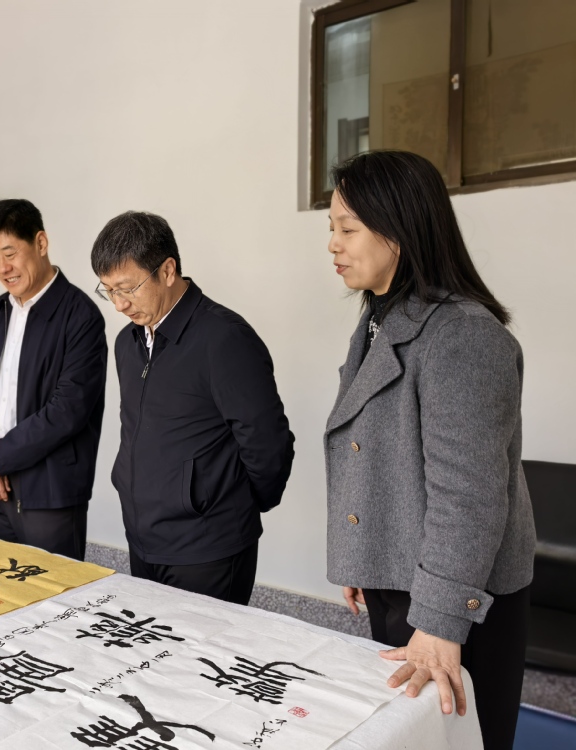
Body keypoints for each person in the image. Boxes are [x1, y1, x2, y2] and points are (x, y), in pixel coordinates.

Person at [324, 150, 535, 749]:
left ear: (398, 232)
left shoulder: (462, 335)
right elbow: (373, 449)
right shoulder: (381, 317)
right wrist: (362, 555)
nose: (333, 245)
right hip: (404, 571)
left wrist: (442, 622)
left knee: (460, 738)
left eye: (348, 229)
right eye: (331, 229)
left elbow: (468, 496)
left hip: (459, 593)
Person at [91, 211, 294, 605]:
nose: (119, 304)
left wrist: (231, 506)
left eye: (128, 288)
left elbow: (268, 443)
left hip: (208, 548)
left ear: (167, 271)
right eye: (109, 290)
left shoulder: (223, 338)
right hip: (144, 538)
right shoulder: (128, 343)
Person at [0, 199, 107, 560]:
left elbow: (68, 410)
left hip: (50, 492)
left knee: (54, 589)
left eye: (10, 253)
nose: (3, 268)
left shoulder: (81, 315)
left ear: (41, 243)